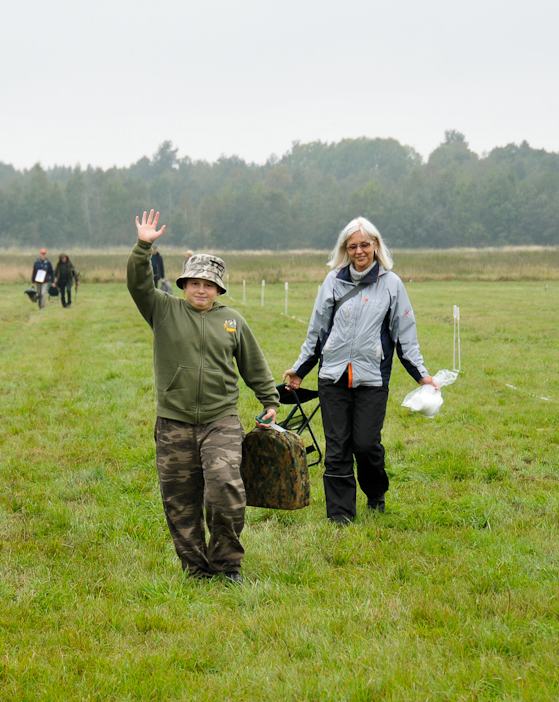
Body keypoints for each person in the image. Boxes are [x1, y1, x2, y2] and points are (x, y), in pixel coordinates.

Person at [128, 210, 279, 583]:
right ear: (183, 285)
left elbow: (254, 365)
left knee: (226, 488)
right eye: (194, 282)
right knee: (180, 501)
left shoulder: (233, 321)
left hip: (220, 420)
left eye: (208, 284)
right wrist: (143, 246)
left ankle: (227, 565)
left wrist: (270, 401)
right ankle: (195, 569)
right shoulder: (163, 310)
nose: (200, 289)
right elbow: (138, 284)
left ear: (219, 289)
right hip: (174, 421)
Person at [282, 216, 434, 525]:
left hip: (372, 379)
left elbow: (404, 335)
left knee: (365, 444)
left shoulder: (392, 284)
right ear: (345, 249)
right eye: (353, 246)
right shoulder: (333, 281)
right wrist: (300, 370)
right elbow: (317, 331)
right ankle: (340, 516)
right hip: (333, 378)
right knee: (337, 448)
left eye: (365, 244)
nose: (359, 251)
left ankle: (375, 492)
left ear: (376, 245)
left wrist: (422, 375)